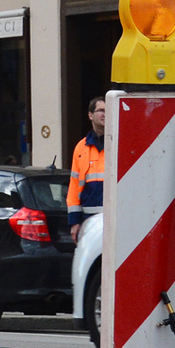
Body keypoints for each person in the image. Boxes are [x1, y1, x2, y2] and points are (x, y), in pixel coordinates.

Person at [68, 97, 107, 242]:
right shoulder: (81, 147)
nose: (105, 114)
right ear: (90, 115)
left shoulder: (120, 142)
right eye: (101, 110)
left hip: (116, 217)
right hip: (88, 220)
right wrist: (74, 222)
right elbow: (74, 187)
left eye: (109, 111)